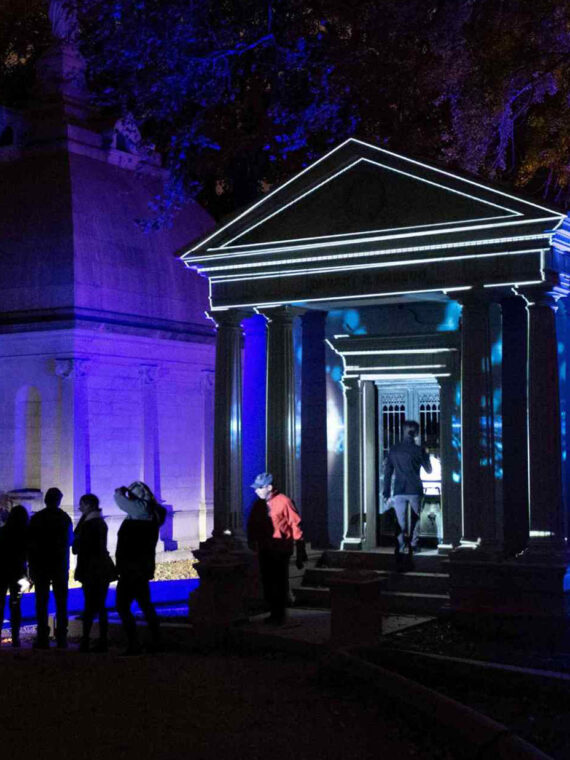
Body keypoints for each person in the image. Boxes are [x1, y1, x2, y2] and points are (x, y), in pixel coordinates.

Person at [247, 472, 307, 626]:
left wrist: (300, 550)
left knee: (279, 583)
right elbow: (253, 525)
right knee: (268, 582)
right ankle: (275, 612)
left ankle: (278, 613)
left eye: (260, 488)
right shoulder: (258, 505)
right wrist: (252, 540)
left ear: (269, 487)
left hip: (280, 550)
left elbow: (295, 525)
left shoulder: (284, 502)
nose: (256, 491)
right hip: (266, 548)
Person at [114, 481, 166, 655]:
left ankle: (135, 643)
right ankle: (156, 641)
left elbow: (120, 500)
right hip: (139, 568)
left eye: (132, 496)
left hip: (131, 569)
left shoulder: (141, 513)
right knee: (145, 605)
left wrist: (121, 493)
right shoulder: (146, 514)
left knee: (122, 606)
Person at [28, 487, 73, 648]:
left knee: (41, 601)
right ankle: (61, 636)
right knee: (61, 602)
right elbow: (70, 540)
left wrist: (31, 567)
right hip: (59, 565)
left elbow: (31, 544)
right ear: (59, 501)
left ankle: (42, 637)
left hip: (41, 565)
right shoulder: (64, 518)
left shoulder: (37, 518)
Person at [383, 420, 432, 568]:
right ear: (415, 433)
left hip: (399, 489)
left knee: (400, 521)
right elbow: (429, 470)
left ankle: (401, 545)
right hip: (415, 488)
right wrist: (427, 456)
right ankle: (414, 544)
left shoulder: (394, 450)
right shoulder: (419, 450)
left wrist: (386, 492)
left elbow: (388, 472)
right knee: (416, 518)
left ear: (403, 431)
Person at [72, 493, 116, 653]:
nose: (79, 508)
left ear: (88, 506)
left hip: (91, 569)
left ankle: (86, 640)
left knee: (90, 606)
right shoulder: (100, 523)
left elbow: (77, 547)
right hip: (102, 568)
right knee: (99, 605)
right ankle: (100, 640)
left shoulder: (88, 524)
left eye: (82, 505)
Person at [0, 504, 30, 648]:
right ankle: (16, 637)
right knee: (16, 604)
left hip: (2, 571)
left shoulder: (3, 531)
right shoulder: (26, 534)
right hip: (19, 574)